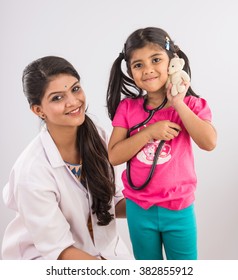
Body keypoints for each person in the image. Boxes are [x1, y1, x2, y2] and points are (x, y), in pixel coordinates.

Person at [1, 56, 133, 260]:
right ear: (38, 110)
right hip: (49, 261)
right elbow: (60, 251)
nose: (73, 102)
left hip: (100, 254)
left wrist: (155, 206)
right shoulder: (32, 171)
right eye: (57, 98)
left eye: (75, 89)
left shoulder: (99, 136)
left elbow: (113, 201)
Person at [106, 27, 217, 260]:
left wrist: (178, 103)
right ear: (130, 71)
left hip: (179, 209)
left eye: (156, 60)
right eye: (138, 65)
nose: (148, 70)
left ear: (173, 61)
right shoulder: (128, 109)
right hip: (139, 209)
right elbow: (114, 156)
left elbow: (209, 142)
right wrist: (149, 133)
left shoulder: (192, 105)